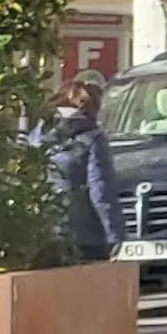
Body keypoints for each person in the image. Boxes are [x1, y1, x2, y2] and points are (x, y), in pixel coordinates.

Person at [43, 74, 118, 266]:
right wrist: (115, 235)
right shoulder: (93, 138)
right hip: (85, 235)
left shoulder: (39, 135)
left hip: (45, 229)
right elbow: (101, 192)